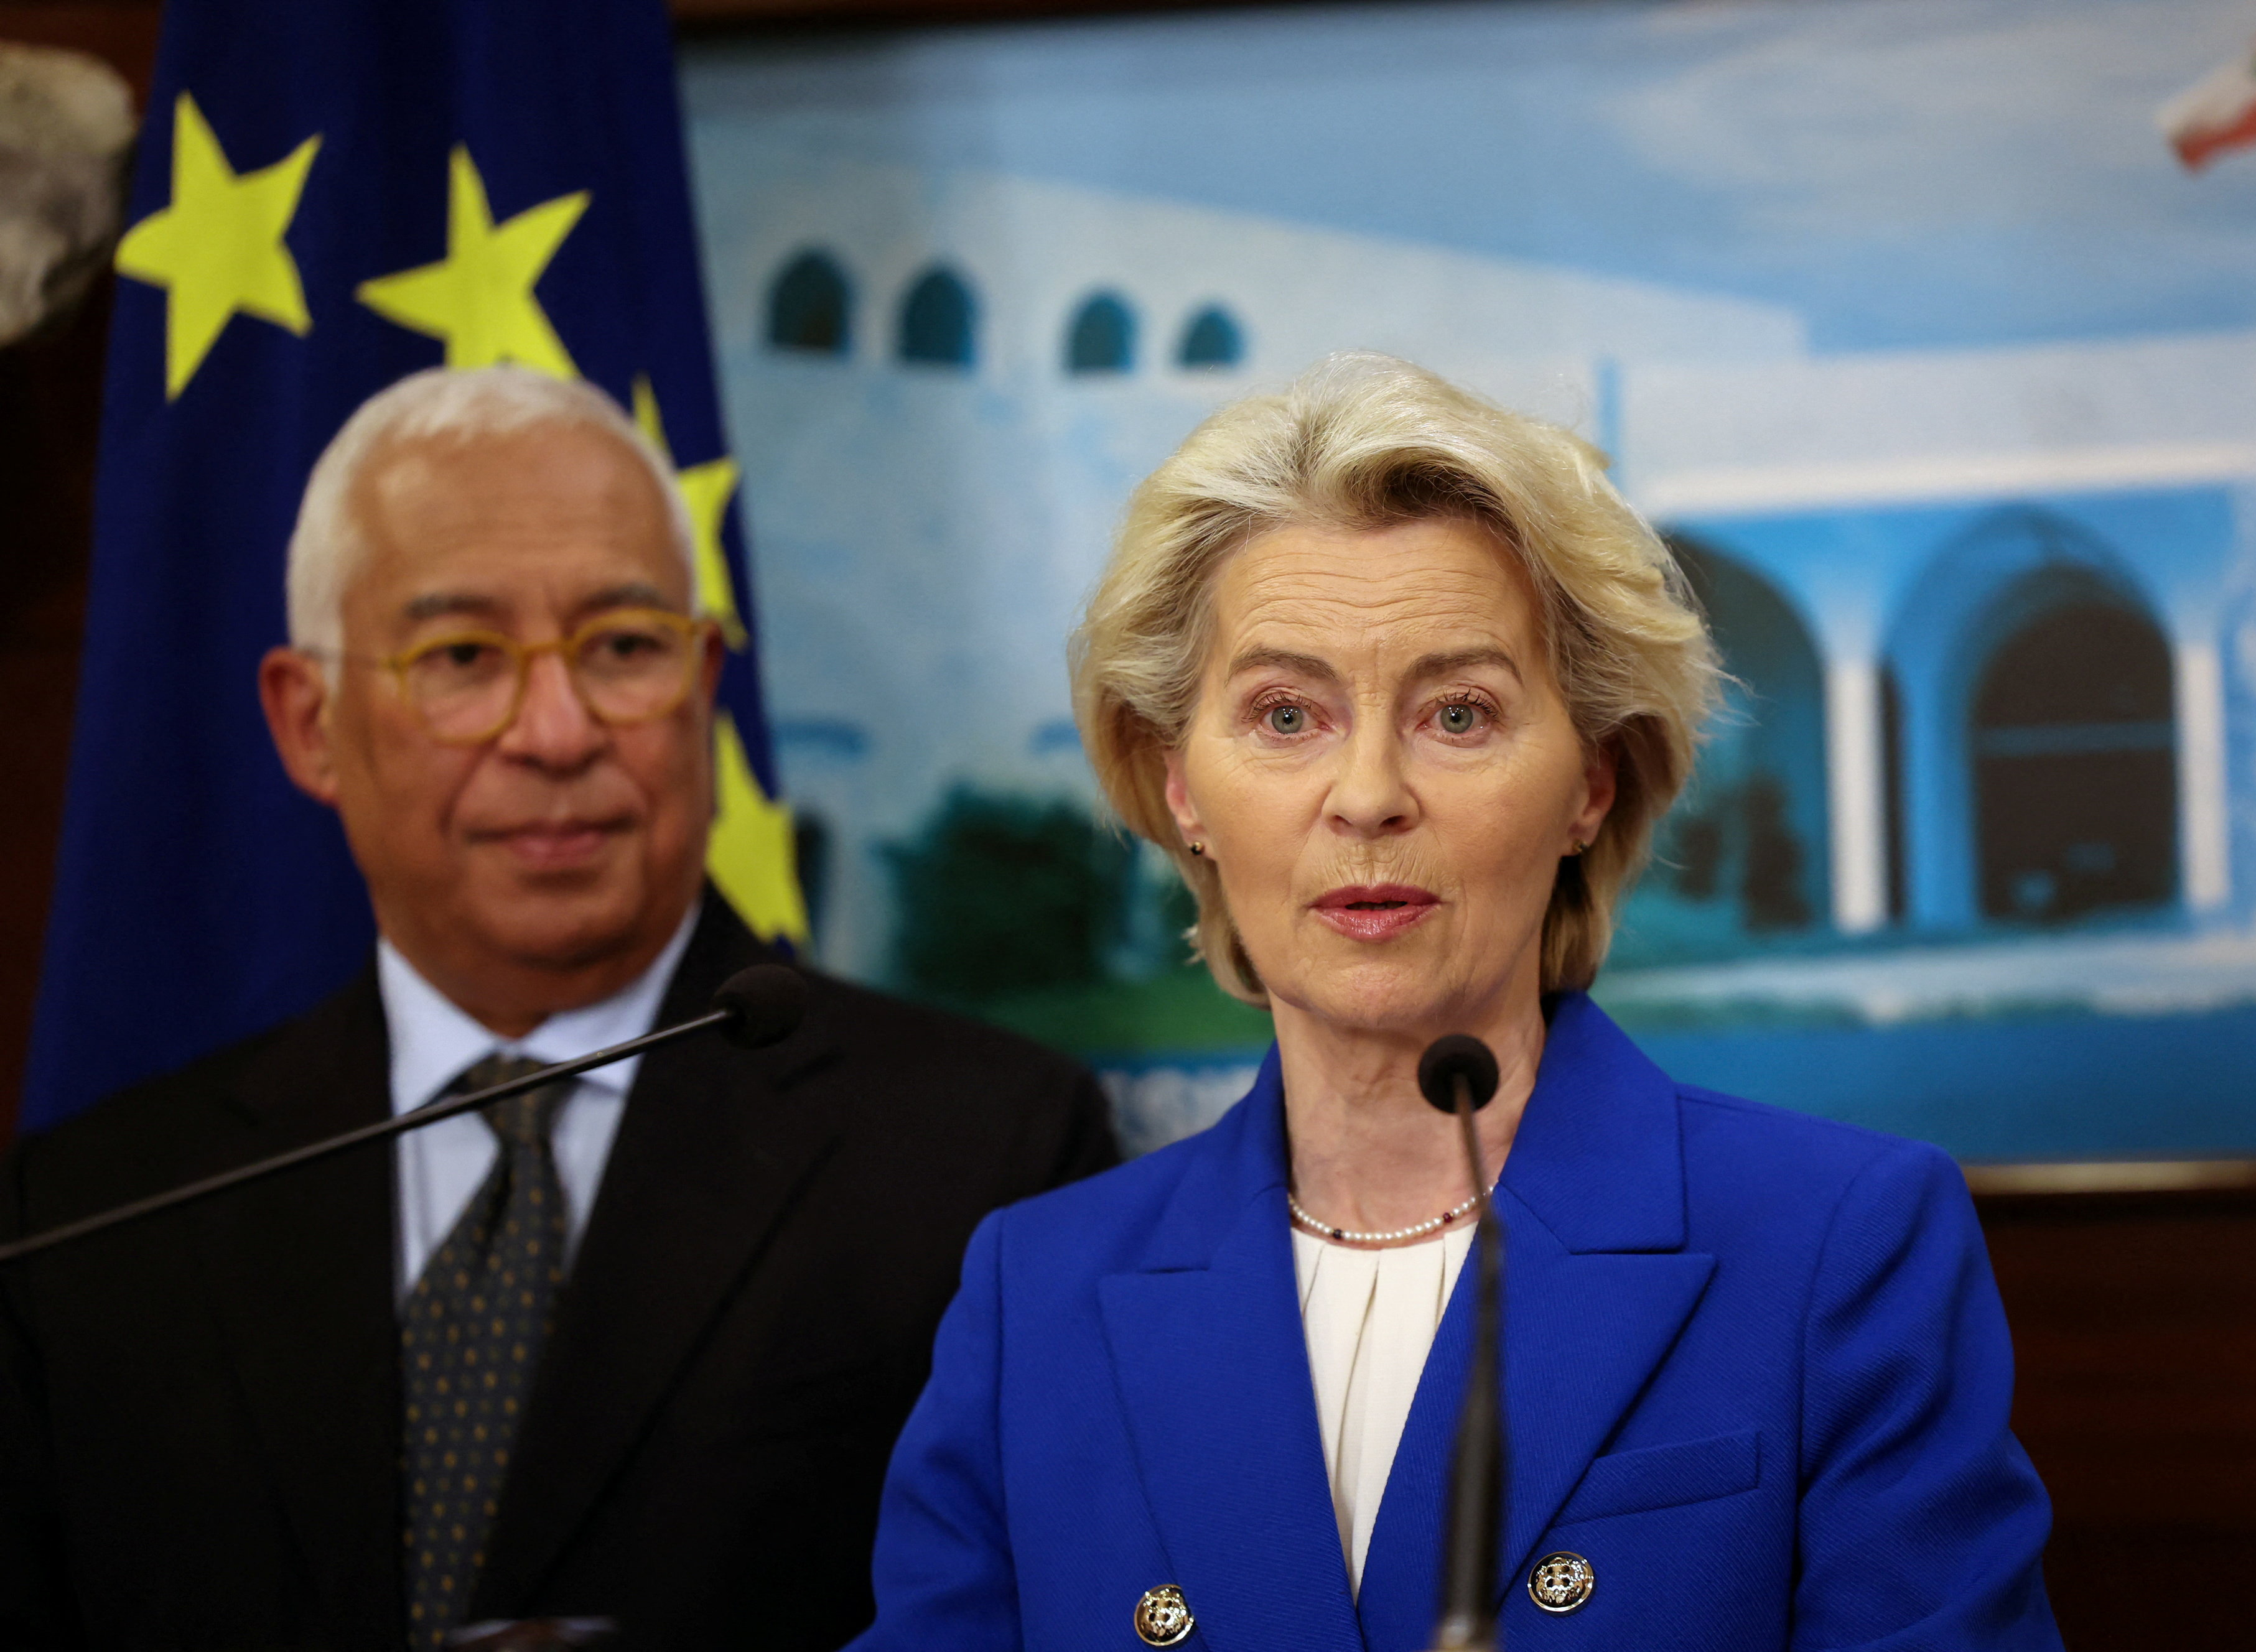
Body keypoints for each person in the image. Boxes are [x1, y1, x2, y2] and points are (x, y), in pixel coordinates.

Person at [854, 354, 2064, 1651]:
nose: (1370, 795)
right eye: (1285, 715)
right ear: (1181, 786)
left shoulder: (1842, 1242)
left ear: (1590, 782)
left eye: (1461, 713)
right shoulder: (1035, 1296)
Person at [0, 366, 1116, 1651]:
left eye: (625, 647)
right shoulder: (94, 1217)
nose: (555, 730)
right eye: (462, 657)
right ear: (310, 724)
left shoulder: (991, 1157)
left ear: (703, 680)